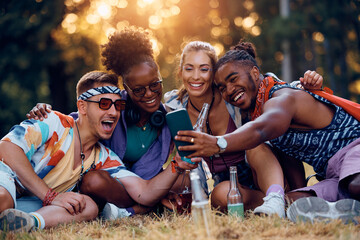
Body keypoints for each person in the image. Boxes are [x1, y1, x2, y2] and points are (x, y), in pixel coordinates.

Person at [174, 41, 360, 223]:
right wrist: (297, 190)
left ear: (255, 73)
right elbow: (288, 154)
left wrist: (217, 143)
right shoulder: (256, 108)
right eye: (222, 87)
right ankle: (345, 213)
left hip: (354, 149)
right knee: (294, 204)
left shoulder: (282, 97)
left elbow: (261, 130)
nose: (229, 90)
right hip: (334, 174)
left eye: (233, 79)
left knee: (355, 186)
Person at [25, 27, 196, 218]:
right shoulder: (113, 107)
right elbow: (80, 119)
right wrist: (45, 113)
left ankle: (137, 206)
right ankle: (142, 208)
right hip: (107, 183)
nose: (149, 94)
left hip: (142, 184)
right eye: (139, 89)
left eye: (155, 85)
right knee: (94, 181)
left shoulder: (167, 120)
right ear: (127, 89)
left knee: (185, 181)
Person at [0, 71, 195, 232]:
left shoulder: (104, 157)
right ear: (82, 107)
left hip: (29, 205)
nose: (113, 112)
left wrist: (177, 165)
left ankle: (27, 223)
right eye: (104, 104)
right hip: (6, 184)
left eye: (118, 105)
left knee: (88, 207)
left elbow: (144, 192)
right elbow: (6, 148)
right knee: (3, 200)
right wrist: (51, 196)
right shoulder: (54, 122)